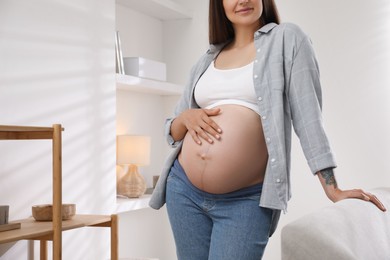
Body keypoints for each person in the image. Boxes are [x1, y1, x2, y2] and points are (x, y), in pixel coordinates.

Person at [149, 0, 387, 259]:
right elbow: (172, 131)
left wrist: (333, 189)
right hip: (184, 191)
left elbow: (308, 118)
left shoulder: (287, 39)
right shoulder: (207, 59)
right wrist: (185, 117)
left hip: (245, 201)